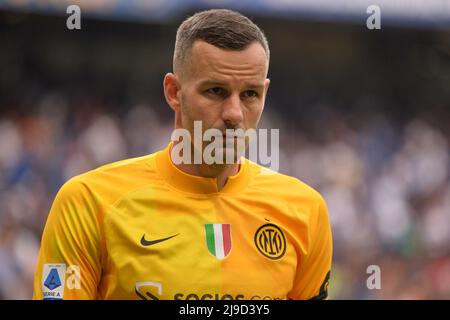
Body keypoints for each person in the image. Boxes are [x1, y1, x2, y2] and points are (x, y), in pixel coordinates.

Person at [33, 9, 332, 300]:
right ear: (174, 92)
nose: (234, 113)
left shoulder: (305, 210)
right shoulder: (88, 203)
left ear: (265, 92)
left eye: (250, 94)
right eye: (215, 91)